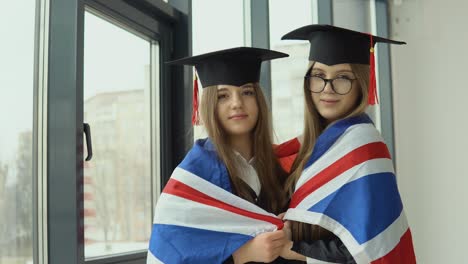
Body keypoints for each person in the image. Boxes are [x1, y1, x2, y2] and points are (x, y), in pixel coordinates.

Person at [274, 25, 416, 264]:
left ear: (360, 83)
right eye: (318, 76)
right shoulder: (307, 147)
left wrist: (295, 248)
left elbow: (371, 247)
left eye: (342, 78)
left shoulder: (364, 146)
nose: (327, 88)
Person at [146, 47, 290, 264]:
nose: (237, 103)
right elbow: (170, 252)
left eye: (247, 92)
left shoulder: (280, 163)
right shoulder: (193, 176)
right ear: (209, 104)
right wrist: (241, 254)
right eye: (223, 96)